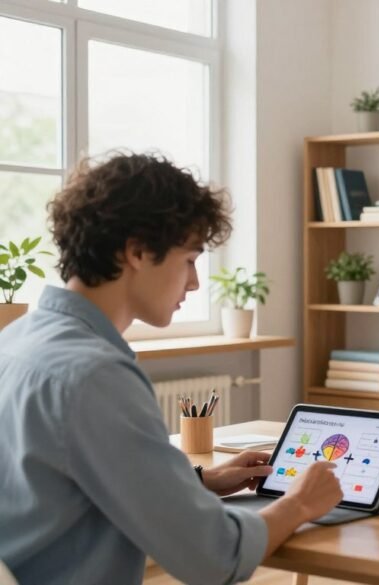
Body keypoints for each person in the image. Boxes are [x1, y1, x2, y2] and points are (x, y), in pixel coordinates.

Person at [0, 153, 343, 584]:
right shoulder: (95, 377)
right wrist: (300, 503)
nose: (195, 282)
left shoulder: (16, 341)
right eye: (190, 259)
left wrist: (197, 483)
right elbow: (215, 558)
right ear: (138, 251)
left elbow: (64, 489)